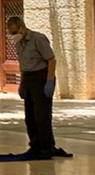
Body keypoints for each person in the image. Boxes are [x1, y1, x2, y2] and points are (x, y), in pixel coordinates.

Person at [5, 15, 57, 158]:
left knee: (42, 116)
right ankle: (35, 146)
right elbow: (23, 64)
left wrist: (49, 81)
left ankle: (47, 147)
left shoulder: (38, 39)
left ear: (22, 28)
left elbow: (51, 60)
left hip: (41, 77)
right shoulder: (19, 43)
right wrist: (22, 83)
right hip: (28, 78)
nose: (13, 36)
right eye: (11, 33)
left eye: (15, 32)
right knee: (30, 116)